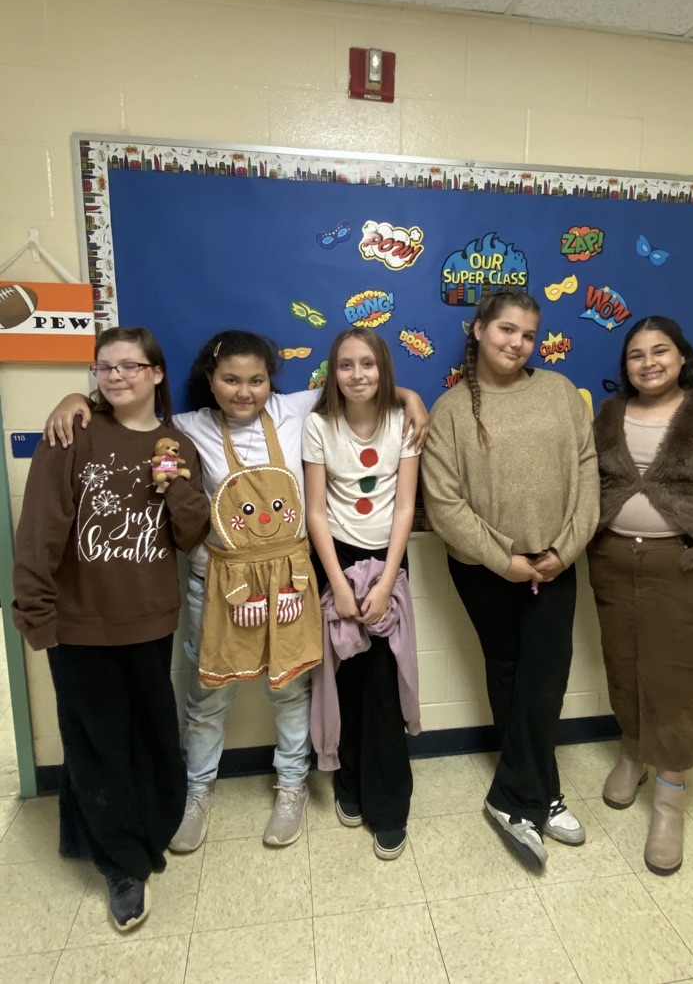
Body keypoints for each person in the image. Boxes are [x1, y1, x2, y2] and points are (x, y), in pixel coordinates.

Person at [45, 329, 428, 854]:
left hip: (290, 582)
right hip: (219, 583)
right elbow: (126, 410)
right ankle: (196, 792)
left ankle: (291, 786)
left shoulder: (296, 411)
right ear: (210, 380)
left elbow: (364, 388)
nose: (244, 391)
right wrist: (77, 399)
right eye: (230, 380)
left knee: (290, 690)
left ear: (272, 381)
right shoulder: (185, 427)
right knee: (208, 697)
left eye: (256, 380)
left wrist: (412, 396)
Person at [12, 327, 209, 932]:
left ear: (156, 373)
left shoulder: (176, 444)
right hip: (79, 624)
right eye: (104, 367)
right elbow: (40, 527)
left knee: (149, 731)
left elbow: (191, 534)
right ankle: (121, 866)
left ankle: (149, 824)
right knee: (96, 741)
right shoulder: (72, 433)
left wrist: (174, 486)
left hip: (149, 619)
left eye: (130, 366)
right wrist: (35, 611)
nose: (116, 376)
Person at [421, 288, 599, 871]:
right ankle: (541, 795)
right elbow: (444, 504)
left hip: (557, 562)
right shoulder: (450, 409)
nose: (517, 343)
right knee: (509, 672)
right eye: (506, 331)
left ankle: (511, 798)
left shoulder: (558, 394)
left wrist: (564, 550)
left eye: (527, 334)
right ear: (478, 330)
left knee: (545, 678)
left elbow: (587, 472)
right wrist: (507, 560)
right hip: (485, 569)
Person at [587, 315, 693, 875]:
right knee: (625, 664)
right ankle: (633, 751)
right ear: (626, 366)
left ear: (682, 358)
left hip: (685, 566)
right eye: (636, 354)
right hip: (612, 562)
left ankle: (670, 794)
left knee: (679, 675)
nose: (648, 362)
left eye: (660, 351)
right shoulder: (608, 415)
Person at [303, 328, 421, 860]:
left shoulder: (404, 420)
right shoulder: (317, 424)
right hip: (337, 562)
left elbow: (404, 508)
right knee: (342, 682)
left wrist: (389, 577)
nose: (357, 375)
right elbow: (315, 512)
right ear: (333, 372)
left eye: (367, 364)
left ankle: (390, 804)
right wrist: (335, 582)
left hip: (389, 563)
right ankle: (348, 783)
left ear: (383, 369)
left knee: (382, 685)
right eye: (345, 365)